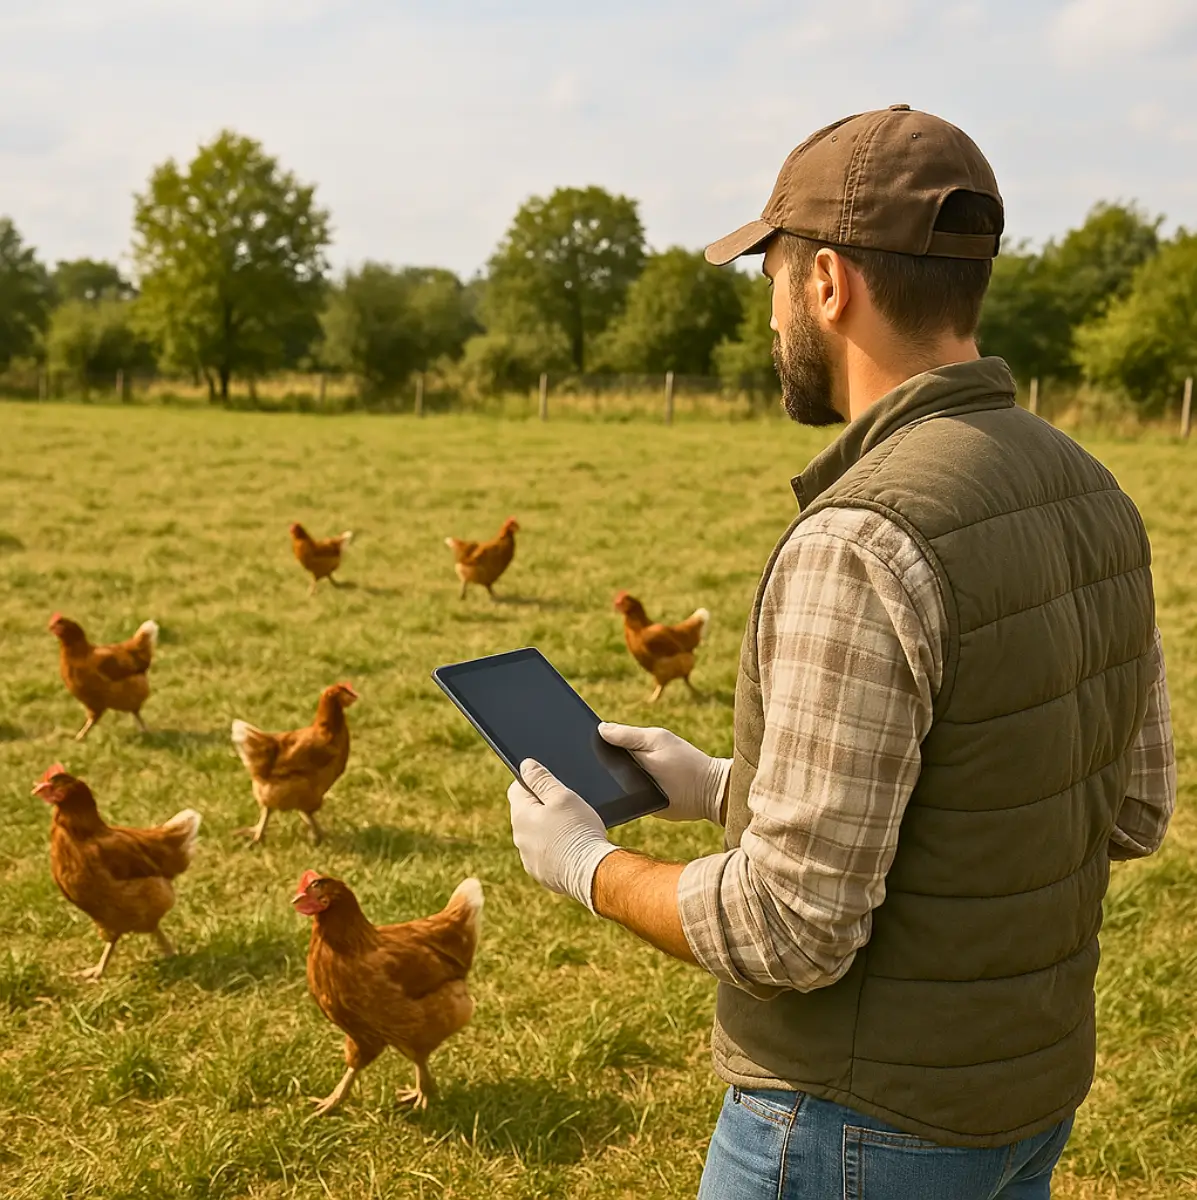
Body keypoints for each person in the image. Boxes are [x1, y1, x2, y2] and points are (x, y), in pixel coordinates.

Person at [505, 105, 1177, 1199]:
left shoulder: (862, 539)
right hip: (1024, 1109)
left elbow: (789, 931)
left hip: (850, 1131)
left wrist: (585, 864)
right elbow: (1128, 808)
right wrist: (722, 787)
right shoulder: (1092, 489)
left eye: (771, 278)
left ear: (826, 283)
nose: (771, 315)